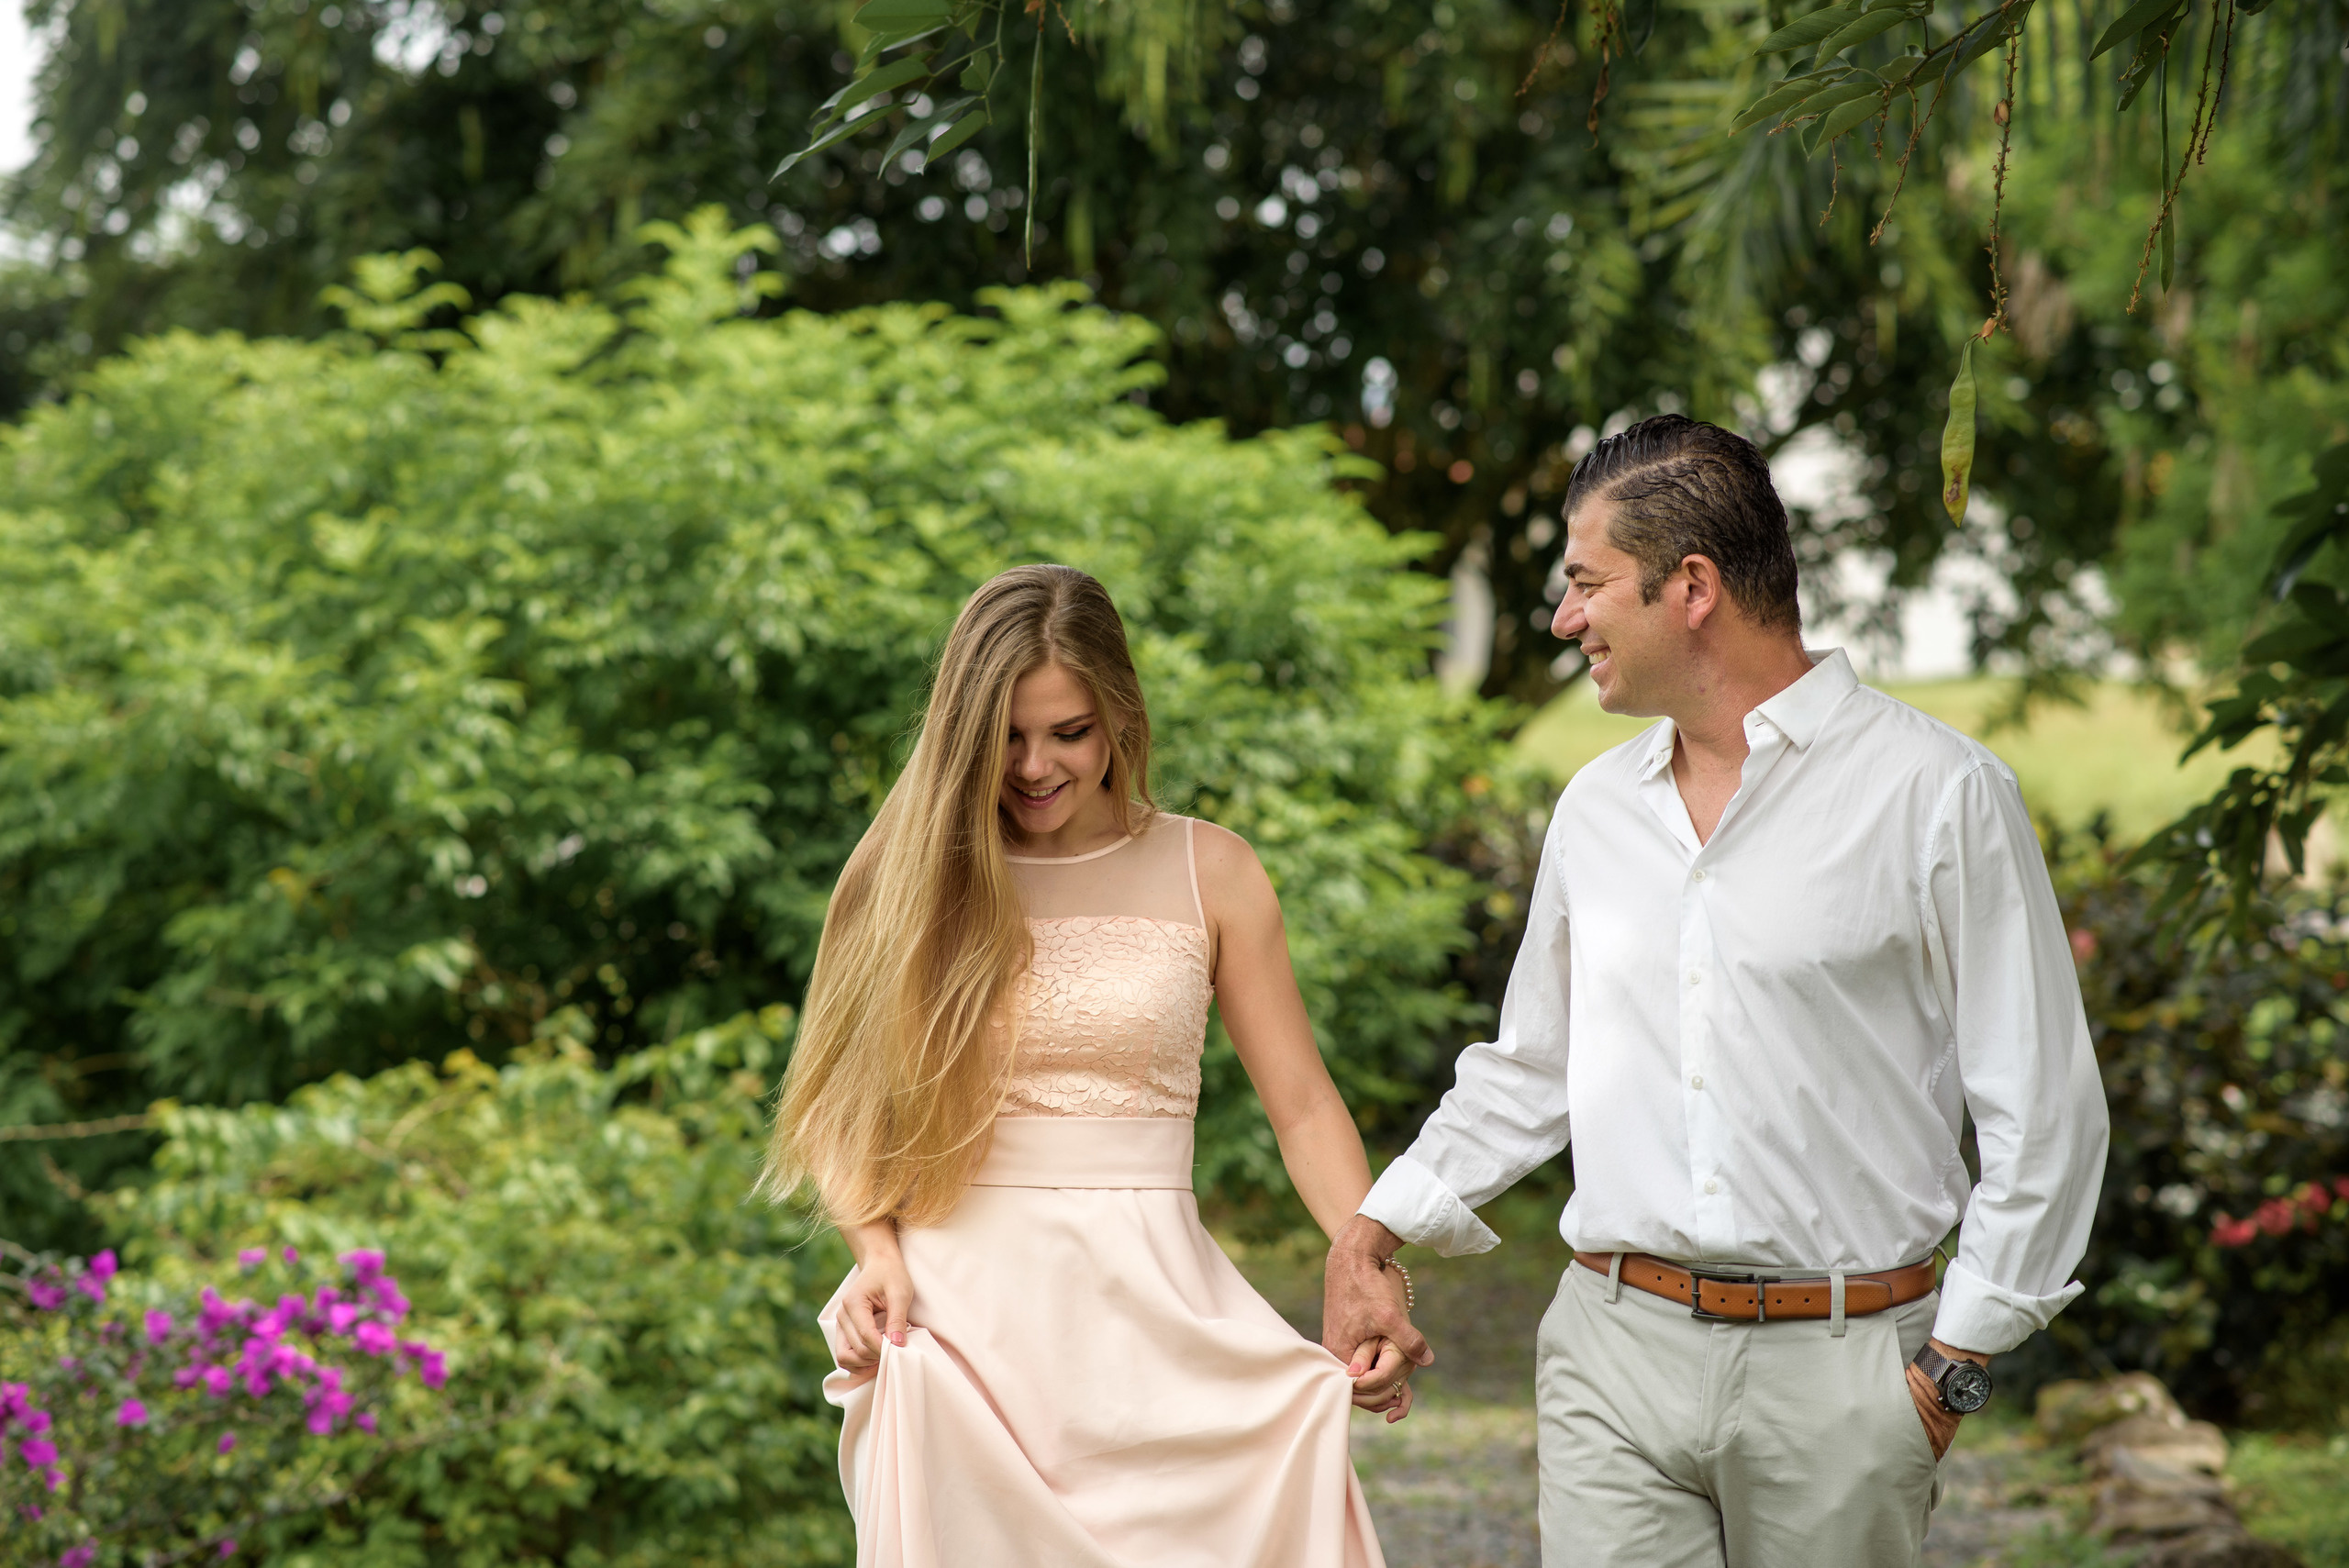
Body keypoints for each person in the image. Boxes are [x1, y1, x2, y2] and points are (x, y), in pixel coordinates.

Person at [1321, 415, 2110, 1566]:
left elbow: (2041, 1107)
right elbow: (1536, 1067)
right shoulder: (1594, 809)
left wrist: (1954, 1364)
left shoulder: (1937, 795)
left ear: (1690, 586)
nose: (1563, 618)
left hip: (1845, 1370)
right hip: (1611, 1352)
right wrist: (1373, 1231)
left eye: (1585, 583)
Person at [761, 563, 1413, 1568]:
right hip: (963, 1336)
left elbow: (1303, 1105)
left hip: (1160, 1325)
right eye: (1005, 737)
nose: (1032, 765)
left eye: (1067, 731)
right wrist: (875, 1252)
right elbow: (838, 1106)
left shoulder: (1216, 868)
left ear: (1119, 717)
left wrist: (1366, 1259)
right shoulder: (900, 873)